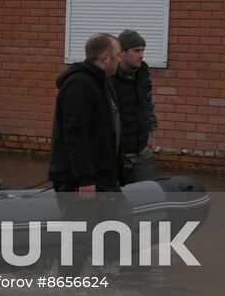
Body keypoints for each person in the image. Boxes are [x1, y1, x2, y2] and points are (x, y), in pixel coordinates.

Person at [48, 32, 122, 194]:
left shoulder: (104, 83)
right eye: (117, 55)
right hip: (79, 182)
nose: (120, 59)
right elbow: (75, 133)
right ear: (105, 57)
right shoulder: (80, 85)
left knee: (119, 218)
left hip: (103, 177)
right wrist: (85, 179)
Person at [114, 28, 159, 184]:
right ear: (122, 52)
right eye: (136, 50)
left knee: (148, 193)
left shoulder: (143, 70)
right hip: (117, 152)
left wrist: (153, 131)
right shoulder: (109, 75)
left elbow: (147, 102)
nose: (141, 55)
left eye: (143, 50)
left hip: (141, 150)